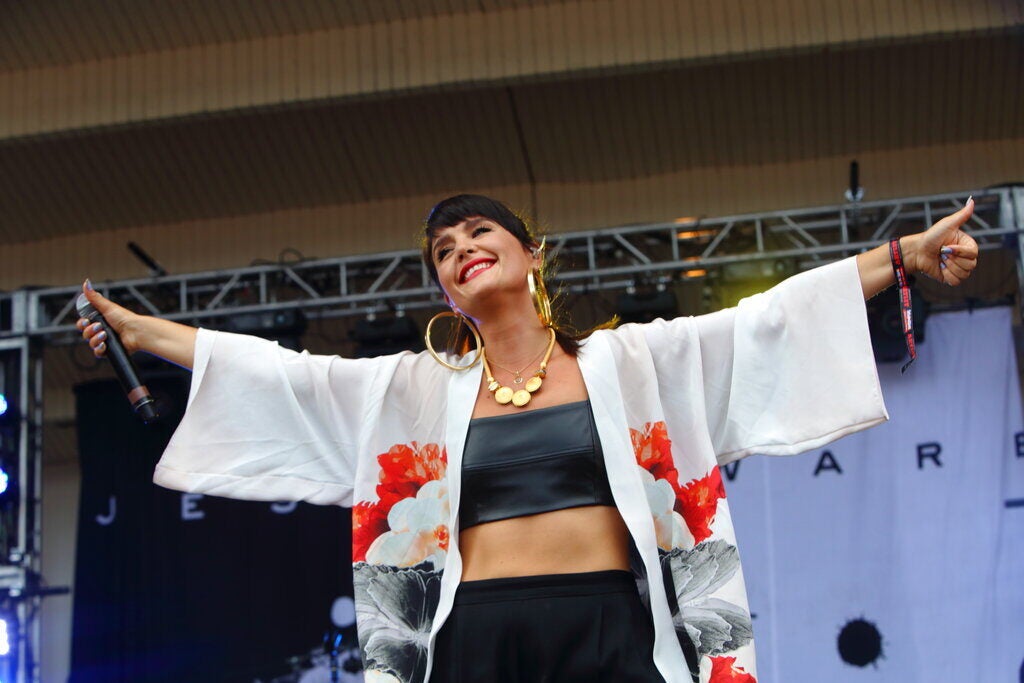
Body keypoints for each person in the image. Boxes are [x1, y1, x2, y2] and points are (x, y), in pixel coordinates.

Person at [77, 194, 978, 683]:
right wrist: (142, 330)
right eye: (442, 248)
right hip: (479, 638)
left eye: (479, 230)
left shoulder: (631, 363)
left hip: (608, 626)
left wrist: (898, 257)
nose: (461, 246)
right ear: (445, 291)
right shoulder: (417, 392)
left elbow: (765, 324)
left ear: (530, 253)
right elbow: (283, 376)